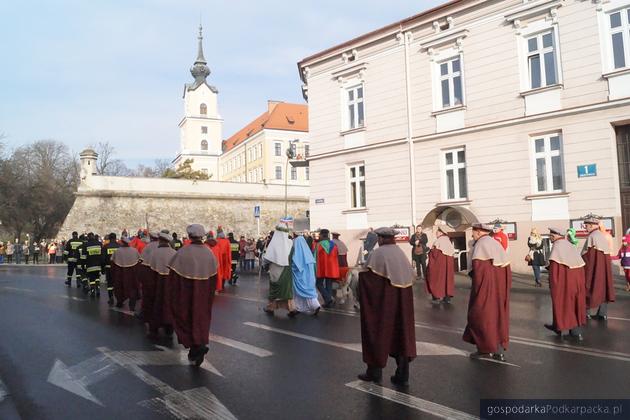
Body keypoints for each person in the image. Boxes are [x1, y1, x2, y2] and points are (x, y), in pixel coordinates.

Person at [357, 227, 416, 385]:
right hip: (402, 304)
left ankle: (374, 371)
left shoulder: (378, 253)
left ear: (381, 239)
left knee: (377, 331)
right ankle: (402, 375)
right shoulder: (400, 253)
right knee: (401, 335)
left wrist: (360, 278)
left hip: (385, 303)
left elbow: (371, 281)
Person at [168, 224, 218, 366]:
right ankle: (199, 344)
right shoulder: (209, 253)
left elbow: (173, 279)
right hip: (203, 296)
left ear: (189, 236)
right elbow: (214, 278)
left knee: (185, 317)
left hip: (186, 295)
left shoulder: (183, 252)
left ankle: (195, 347)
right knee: (201, 319)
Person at [463, 223, 512, 361]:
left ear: (478, 232)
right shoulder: (494, 243)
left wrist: (478, 289)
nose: (472, 235)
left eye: (473, 232)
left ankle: (485, 349)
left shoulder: (481, 244)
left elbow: (479, 270)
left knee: (482, 315)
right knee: (498, 316)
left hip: (486, 288)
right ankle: (499, 350)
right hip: (499, 289)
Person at [545, 227, 586, 341]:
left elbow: (555, 267)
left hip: (566, 281)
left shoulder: (557, 246)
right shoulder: (569, 244)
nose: (550, 236)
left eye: (551, 234)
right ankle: (572, 331)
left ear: (556, 235)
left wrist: (552, 283)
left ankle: (565, 329)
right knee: (575, 304)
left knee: (563, 303)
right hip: (577, 280)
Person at [582, 217, 615, 320]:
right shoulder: (601, 236)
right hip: (603, 269)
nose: (585, 228)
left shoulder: (592, 236)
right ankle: (602, 313)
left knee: (587, 287)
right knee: (604, 288)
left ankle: (586, 313)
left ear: (591, 225)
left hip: (593, 268)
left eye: (586, 226)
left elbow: (588, 256)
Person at [263, 223, 297, 317]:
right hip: (287, 270)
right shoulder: (291, 243)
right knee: (286, 290)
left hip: (275, 271)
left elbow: (267, 259)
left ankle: (271, 307)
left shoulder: (274, 244)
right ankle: (291, 308)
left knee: (274, 290)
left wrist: (264, 264)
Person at [147, 231, 177, 338]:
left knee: (156, 305)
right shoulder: (174, 253)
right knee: (170, 306)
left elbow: (150, 271)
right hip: (171, 284)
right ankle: (169, 327)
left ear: (160, 240)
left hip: (158, 283)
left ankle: (154, 329)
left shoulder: (154, 253)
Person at [290, 235, 321, 316]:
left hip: (301, 278)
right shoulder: (308, 254)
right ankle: (302, 307)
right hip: (310, 278)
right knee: (309, 291)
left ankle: (313, 306)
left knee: (300, 292)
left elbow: (295, 266)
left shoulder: (296, 254)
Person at [425, 225, 455, 304]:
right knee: (447, 279)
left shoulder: (438, 241)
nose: (436, 233)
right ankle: (447, 297)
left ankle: (436, 296)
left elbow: (434, 255)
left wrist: (430, 251)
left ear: (441, 232)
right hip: (447, 266)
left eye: (437, 231)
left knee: (436, 279)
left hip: (438, 266)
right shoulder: (448, 241)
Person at [111, 236, 141, 310]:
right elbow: (139, 262)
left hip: (120, 273)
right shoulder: (134, 251)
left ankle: (120, 302)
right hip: (132, 274)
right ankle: (132, 306)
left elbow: (112, 262)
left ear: (122, 242)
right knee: (132, 288)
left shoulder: (117, 251)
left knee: (119, 287)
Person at [314, 229, 340, 308]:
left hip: (322, 268)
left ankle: (329, 299)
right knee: (328, 284)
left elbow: (315, 257)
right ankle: (328, 302)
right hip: (331, 268)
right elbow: (337, 255)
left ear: (321, 235)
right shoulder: (334, 245)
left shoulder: (319, 245)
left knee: (318, 284)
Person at [139, 231, 160, 319]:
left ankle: (144, 313)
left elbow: (142, 260)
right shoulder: (166, 246)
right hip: (163, 273)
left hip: (150, 272)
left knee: (148, 294)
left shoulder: (148, 246)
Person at [82, 232, 103, 297]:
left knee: (91, 279)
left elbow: (84, 257)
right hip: (98, 265)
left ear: (88, 237)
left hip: (90, 265)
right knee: (97, 277)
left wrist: (83, 265)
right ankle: (98, 289)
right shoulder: (99, 244)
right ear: (93, 237)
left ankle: (93, 291)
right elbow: (102, 255)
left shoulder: (86, 245)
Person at [101, 233, 120, 305]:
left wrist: (102, 269)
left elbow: (102, 259)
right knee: (118, 283)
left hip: (109, 268)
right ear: (115, 238)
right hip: (118, 267)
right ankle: (119, 299)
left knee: (110, 284)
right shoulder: (119, 246)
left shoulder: (105, 247)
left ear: (109, 238)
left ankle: (111, 297)